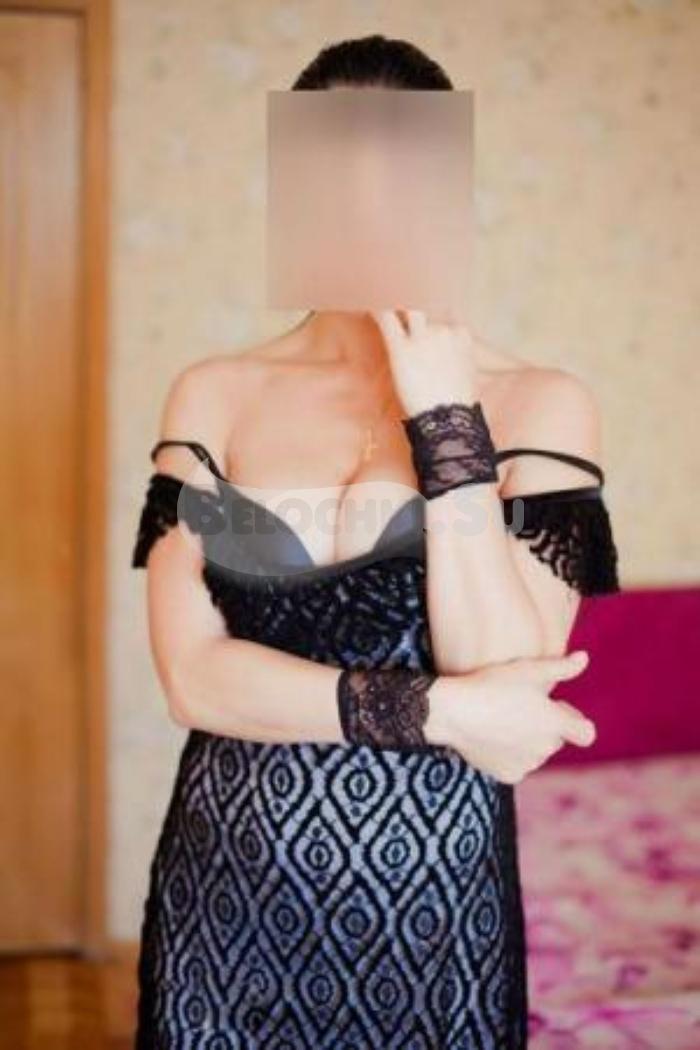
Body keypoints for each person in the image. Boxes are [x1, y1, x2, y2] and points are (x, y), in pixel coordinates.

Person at [130, 35, 620, 1050]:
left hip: (433, 911)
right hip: (223, 903)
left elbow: (504, 670)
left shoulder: (541, 401)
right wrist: (441, 710)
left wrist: (447, 423)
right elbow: (194, 680)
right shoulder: (214, 391)